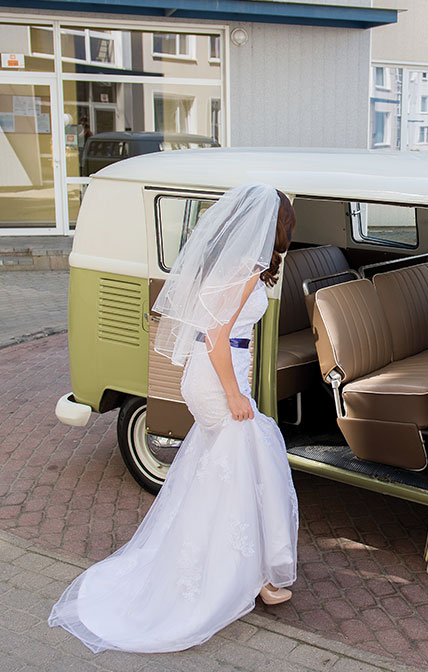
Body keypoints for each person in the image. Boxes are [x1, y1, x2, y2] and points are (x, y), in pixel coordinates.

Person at [48, 183, 299, 654]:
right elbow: (217, 337)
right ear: (275, 228)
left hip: (207, 376)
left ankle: (251, 569)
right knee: (251, 457)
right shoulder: (245, 271)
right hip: (219, 378)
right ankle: (245, 575)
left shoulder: (223, 263)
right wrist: (234, 395)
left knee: (227, 466)